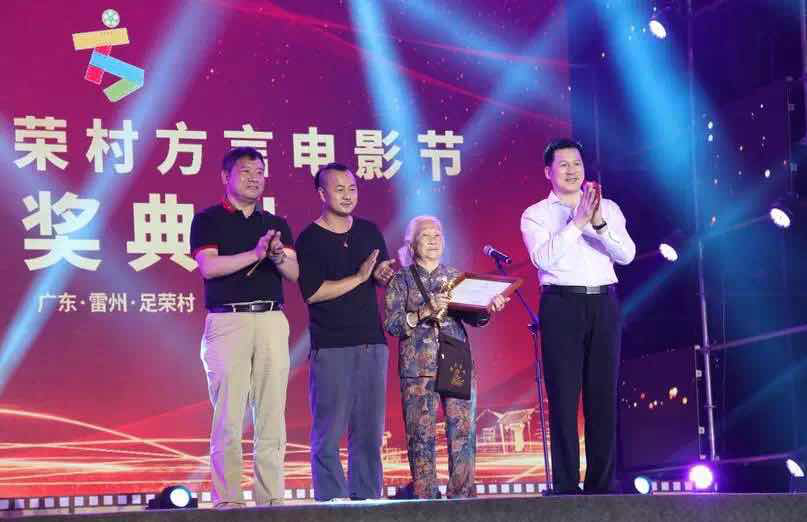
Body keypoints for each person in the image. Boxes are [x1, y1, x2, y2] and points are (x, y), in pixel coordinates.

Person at [520, 138, 636, 494]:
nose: (572, 170)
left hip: (604, 303)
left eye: (577, 164)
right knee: (564, 397)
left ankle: (602, 484)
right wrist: (577, 222)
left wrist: (597, 223)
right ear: (548, 172)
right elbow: (543, 259)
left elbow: (627, 255)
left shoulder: (609, 208)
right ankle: (566, 486)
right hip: (561, 305)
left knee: (602, 396)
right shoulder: (536, 213)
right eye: (564, 164)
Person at [190, 147, 299, 509]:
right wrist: (255, 254)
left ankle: (271, 499)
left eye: (260, 172)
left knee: (271, 413)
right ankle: (228, 500)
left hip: (270, 319)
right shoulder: (207, 220)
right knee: (229, 415)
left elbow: (294, 273)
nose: (255, 178)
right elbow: (209, 267)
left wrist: (277, 254)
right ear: (226, 177)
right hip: (228, 320)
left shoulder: (275, 223)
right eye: (246, 171)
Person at [384, 215, 508, 499]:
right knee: (420, 435)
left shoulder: (457, 278)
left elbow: (475, 318)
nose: (433, 240)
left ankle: (462, 497)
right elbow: (392, 325)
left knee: (463, 432)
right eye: (425, 236)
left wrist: (489, 308)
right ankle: (426, 497)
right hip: (417, 368)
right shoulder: (401, 280)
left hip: (455, 362)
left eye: (437, 235)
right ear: (412, 245)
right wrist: (423, 312)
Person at [295, 163, 397, 502]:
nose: (347, 195)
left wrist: (380, 274)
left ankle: (367, 498)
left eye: (352, 188)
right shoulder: (309, 238)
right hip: (332, 345)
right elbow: (313, 292)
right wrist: (359, 277)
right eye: (339, 189)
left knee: (369, 432)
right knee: (329, 431)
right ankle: (331, 501)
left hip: (372, 343)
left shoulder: (369, 231)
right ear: (322, 194)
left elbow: (378, 274)